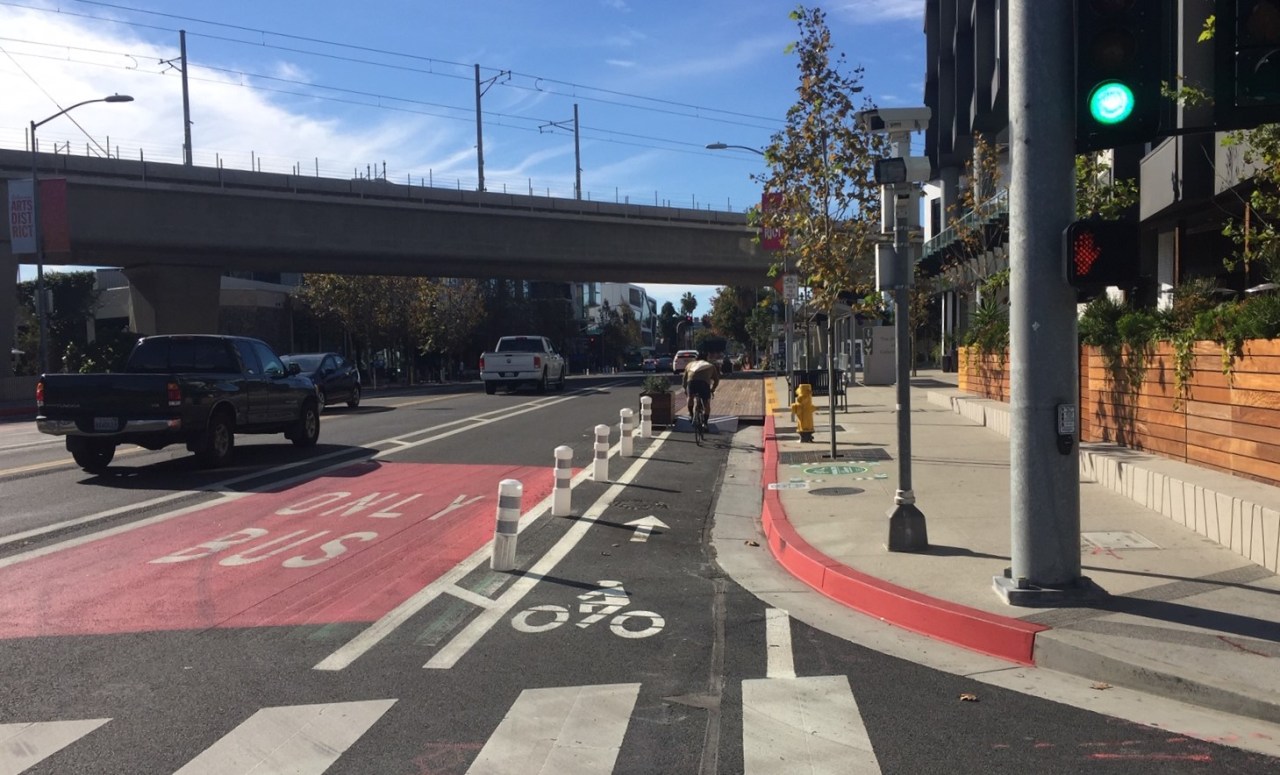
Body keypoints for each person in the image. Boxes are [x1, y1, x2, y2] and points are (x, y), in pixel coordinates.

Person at [682, 350, 721, 421]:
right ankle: (705, 422)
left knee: (690, 397)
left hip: (691, 382)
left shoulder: (690, 364)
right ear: (706, 358)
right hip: (704, 383)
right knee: (706, 403)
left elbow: (684, 379)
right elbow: (716, 380)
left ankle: (691, 414)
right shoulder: (710, 365)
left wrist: (685, 389)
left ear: (696, 358)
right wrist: (713, 389)